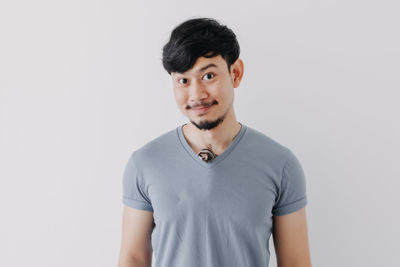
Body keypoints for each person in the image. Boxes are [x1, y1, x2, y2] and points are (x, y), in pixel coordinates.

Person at [118, 17, 312, 267]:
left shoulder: (281, 164)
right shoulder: (144, 163)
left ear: (236, 73)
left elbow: (296, 262)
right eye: (183, 81)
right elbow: (133, 259)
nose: (196, 94)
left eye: (208, 75)